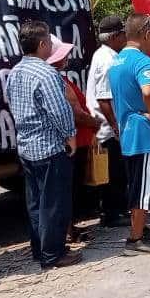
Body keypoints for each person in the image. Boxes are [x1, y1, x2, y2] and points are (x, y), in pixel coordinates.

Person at [6, 20, 82, 268]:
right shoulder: (47, 73)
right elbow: (59, 111)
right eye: (49, 41)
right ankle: (53, 254)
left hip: (27, 146)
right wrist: (70, 135)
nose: (51, 45)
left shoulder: (15, 72)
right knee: (54, 202)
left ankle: (41, 249)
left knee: (36, 202)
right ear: (42, 44)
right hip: (49, 146)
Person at [108, 14, 150, 255]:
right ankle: (135, 239)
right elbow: (148, 90)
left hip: (128, 132)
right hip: (145, 134)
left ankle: (140, 230)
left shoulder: (118, 60)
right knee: (144, 188)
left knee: (135, 183)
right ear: (146, 33)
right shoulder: (142, 62)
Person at [45, 36, 100, 224]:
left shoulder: (59, 78)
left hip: (78, 139)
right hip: (75, 140)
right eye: (63, 55)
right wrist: (94, 122)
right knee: (70, 188)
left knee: (71, 188)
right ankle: (69, 230)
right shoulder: (57, 81)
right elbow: (75, 113)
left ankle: (71, 227)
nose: (66, 58)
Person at [86, 16, 131, 228]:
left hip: (109, 125)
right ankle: (113, 213)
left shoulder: (107, 54)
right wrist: (116, 127)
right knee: (114, 173)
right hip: (108, 127)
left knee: (117, 173)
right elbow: (104, 99)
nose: (125, 37)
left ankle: (117, 209)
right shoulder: (107, 60)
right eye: (123, 34)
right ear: (114, 36)